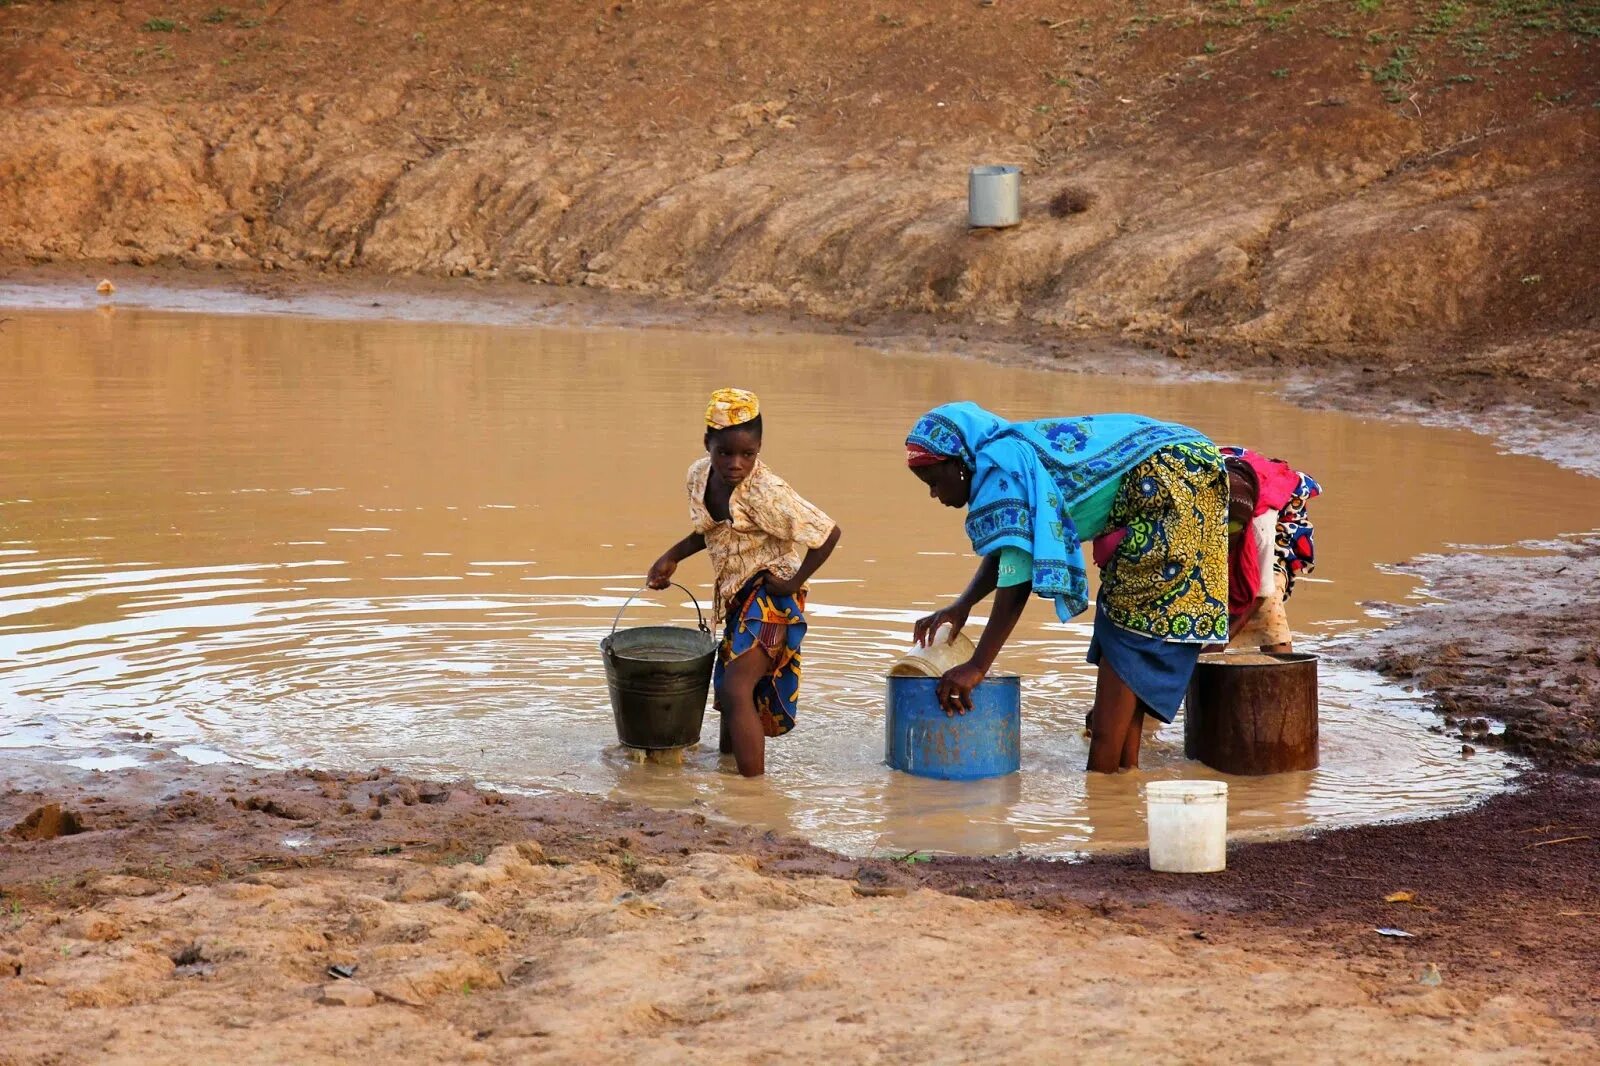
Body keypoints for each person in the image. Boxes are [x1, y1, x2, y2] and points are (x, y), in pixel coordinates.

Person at [906, 402, 1228, 773]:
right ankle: (1122, 793)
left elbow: (1017, 580)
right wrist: (963, 605)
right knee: (1124, 633)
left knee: (1126, 630)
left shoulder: (1000, 475)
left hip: (1173, 482)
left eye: (933, 482)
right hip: (1185, 462)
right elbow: (1011, 549)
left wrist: (978, 666)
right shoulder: (1001, 457)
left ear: (958, 463)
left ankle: (1103, 788)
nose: (934, 494)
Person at [647, 388, 841, 777]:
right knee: (733, 693)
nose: (736, 464)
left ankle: (752, 795)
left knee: (737, 689)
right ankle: (728, 775)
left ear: (759, 450)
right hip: (736, 595)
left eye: (747, 454)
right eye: (725, 453)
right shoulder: (698, 475)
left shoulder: (767, 492)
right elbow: (712, 532)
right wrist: (671, 557)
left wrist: (793, 583)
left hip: (772, 595)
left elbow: (828, 534)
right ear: (707, 444)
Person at [1220, 446, 1321, 654]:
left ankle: (1282, 673)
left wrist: (1219, 644)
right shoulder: (1196, 508)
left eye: (1234, 531)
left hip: (1281, 516)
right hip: (1229, 484)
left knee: (1270, 610)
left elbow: (1261, 593)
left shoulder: (1261, 525)